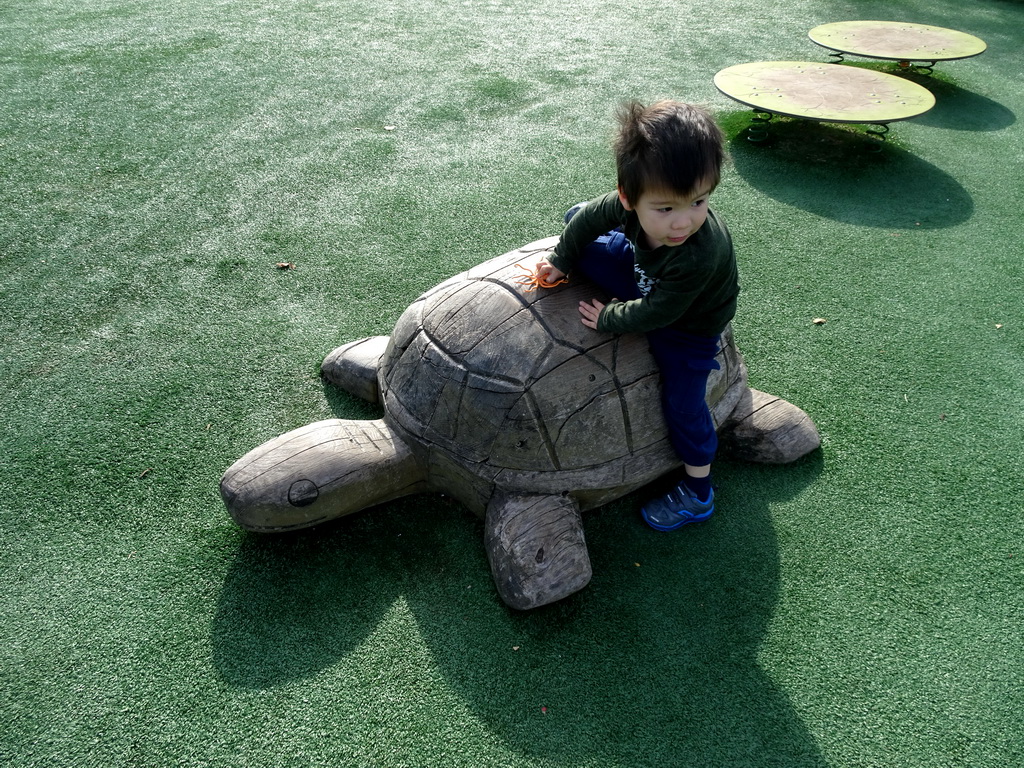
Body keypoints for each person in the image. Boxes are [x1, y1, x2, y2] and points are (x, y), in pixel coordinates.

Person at [534, 100, 739, 532]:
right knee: (578, 220)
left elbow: (658, 311)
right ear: (629, 197)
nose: (683, 222)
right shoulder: (623, 204)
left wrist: (609, 317)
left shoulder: (700, 253)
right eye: (665, 208)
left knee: (683, 403)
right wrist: (561, 260)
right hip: (641, 268)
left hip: (687, 323)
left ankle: (698, 492)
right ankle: (609, 248)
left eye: (698, 201)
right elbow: (591, 216)